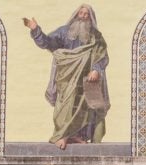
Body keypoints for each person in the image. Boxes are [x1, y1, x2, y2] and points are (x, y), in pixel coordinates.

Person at [23, 6, 108, 149]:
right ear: (76, 15)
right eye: (81, 13)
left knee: (86, 107)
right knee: (65, 105)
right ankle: (61, 135)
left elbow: (102, 55)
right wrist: (35, 30)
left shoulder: (96, 36)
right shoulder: (64, 32)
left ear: (91, 18)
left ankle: (77, 136)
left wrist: (96, 69)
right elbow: (47, 43)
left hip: (87, 78)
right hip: (67, 76)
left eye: (87, 14)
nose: (83, 16)